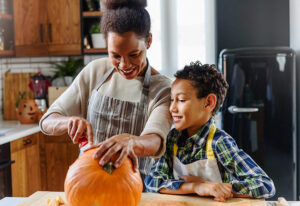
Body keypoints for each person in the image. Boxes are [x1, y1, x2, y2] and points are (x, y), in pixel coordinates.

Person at [39, 0, 172, 181]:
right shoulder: (96, 71)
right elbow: (47, 121)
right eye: (115, 55)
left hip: (135, 184)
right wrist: (69, 122)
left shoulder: (163, 88)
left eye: (134, 55)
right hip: (87, 179)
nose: (124, 65)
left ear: (148, 41)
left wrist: (132, 141)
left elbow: (156, 141)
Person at [144, 61, 275, 201]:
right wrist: (198, 187)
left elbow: (265, 185)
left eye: (181, 100)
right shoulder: (172, 139)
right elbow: (153, 182)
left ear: (209, 103)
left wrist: (218, 187)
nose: (172, 108)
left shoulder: (219, 142)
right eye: (171, 100)